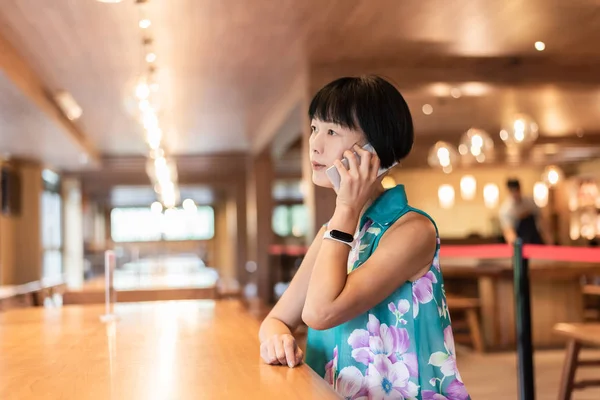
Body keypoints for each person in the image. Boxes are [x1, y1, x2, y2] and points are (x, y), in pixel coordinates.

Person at [259, 76, 469, 399]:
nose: (315, 144)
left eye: (332, 131)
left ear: (374, 149)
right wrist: (277, 338)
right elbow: (276, 319)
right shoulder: (332, 234)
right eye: (314, 128)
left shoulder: (412, 231)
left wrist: (346, 207)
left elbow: (319, 312)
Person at [499, 179, 550, 245]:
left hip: (536, 239)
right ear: (509, 191)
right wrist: (517, 248)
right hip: (521, 242)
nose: (515, 194)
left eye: (516, 190)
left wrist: (548, 239)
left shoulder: (530, 202)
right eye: (512, 191)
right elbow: (509, 232)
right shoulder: (506, 210)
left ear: (520, 189)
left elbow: (542, 221)